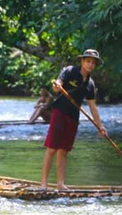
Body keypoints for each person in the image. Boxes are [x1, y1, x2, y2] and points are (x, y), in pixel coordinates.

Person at [41, 49, 108, 190]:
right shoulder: (70, 71)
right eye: (88, 61)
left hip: (73, 116)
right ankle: (44, 184)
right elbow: (57, 86)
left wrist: (100, 126)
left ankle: (60, 184)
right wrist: (57, 85)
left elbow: (93, 107)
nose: (90, 64)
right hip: (59, 112)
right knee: (52, 148)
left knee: (64, 150)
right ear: (82, 61)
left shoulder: (90, 84)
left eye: (93, 63)